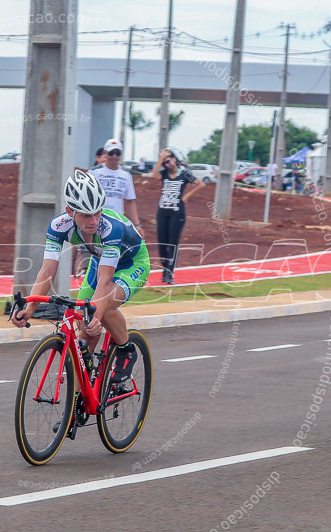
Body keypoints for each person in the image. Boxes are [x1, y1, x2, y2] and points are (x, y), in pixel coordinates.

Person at [11, 170, 150, 383]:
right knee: (85, 332)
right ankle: (78, 404)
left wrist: (97, 314)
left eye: (97, 212)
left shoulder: (110, 228)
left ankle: (126, 349)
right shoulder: (59, 226)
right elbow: (47, 270)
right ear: (70, 211)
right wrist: (30, 308)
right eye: (86, 215)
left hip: (132, 263)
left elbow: (105, 280)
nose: (94, 220)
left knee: (102, 306)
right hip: (100, 261)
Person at [152, 147, 205, 285]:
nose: (166, 163)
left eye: (168, 159)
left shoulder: (184, 174)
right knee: (162, 244)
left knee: (172, 244)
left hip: (177, 214)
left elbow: (200, 184)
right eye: (164, 161)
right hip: (162, 213)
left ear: (175, 159)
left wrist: (187, 196)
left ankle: (170, 273)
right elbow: (154, 175)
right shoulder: (163, 174)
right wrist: (160, 159)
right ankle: (164, 271)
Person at [89, 138, 142, 236]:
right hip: (96, 221)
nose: (114, 156)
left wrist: (137, 225)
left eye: (117, 153)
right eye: (111, 153)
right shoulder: (94, 172)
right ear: (105, 153)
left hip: (116, 222)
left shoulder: (126, 175)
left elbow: (130, 202)